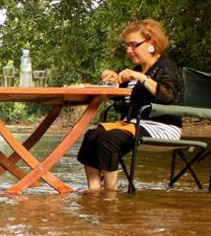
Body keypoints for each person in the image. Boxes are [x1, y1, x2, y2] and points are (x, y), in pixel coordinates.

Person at [77, 19, 184, 192]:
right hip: (134, 124)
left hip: (162, 127)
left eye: (134, 45)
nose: (129, 50)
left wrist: (140, 77)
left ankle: (110, 193)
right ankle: (94, 190)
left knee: (107, 140)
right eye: (126, 45)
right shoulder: (139, 69)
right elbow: (122, 100)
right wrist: (113, 82)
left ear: (152, 43)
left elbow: (168, 96)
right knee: (92, 136)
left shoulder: (166, 67)